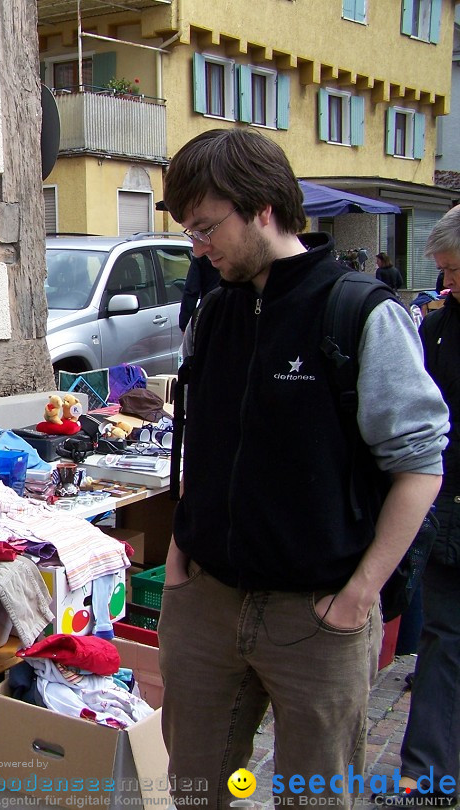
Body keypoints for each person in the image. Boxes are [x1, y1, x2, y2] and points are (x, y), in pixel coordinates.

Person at [159, 129, 447, 808]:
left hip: (316, 616)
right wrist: (179, 554)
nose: (199, 248)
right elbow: (204, 445)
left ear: (261, 206)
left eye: (206, 227)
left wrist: (357, 597)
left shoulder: (361, 313)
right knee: (195, 791)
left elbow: (421, 467)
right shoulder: (215, 312)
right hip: (205, 601)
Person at [381, 205, 460, 807]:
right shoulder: (434, 330)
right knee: (443, 639)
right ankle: (426, 774)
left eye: (455, 272)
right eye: (442, 273)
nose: (445, 285)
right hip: (447, 511)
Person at [178, 254, 220, 331]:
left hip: (209, 312)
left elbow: (191, 291)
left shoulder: (203, 252)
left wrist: (185, 324)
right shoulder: (237, 252)